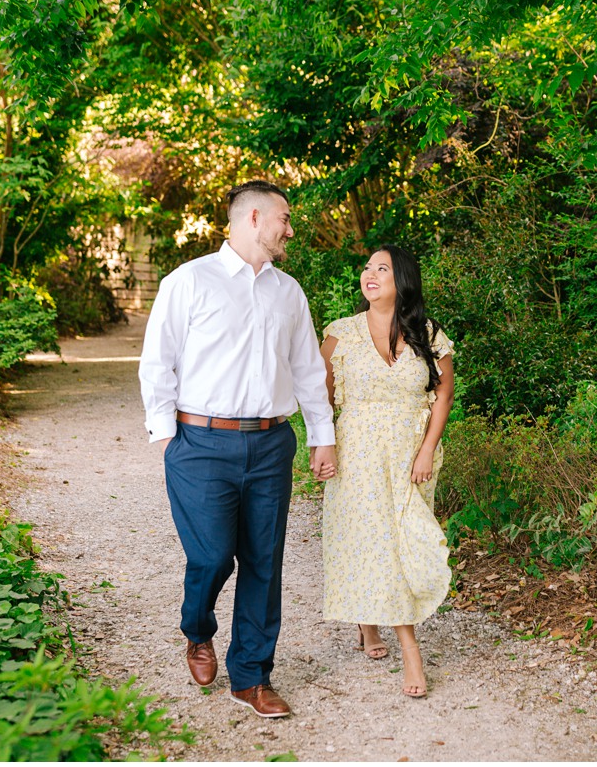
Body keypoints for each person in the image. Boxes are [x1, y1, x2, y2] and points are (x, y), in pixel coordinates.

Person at [139, 180, 337, 720]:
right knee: (210, 555)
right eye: (285, 219)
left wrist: (324, 437)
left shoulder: (288, 291)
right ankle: (197, 629)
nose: (290, 229)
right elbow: (158, 360)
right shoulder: (190, 281)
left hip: (272, 443)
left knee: (263, 561)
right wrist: (164, 438)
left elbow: (308, 372)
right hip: (200, 442)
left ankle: (251, 676)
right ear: (253, 218)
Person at [318, 245, 454, 698]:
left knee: (402, 542)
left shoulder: (429, 334)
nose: (370, 275)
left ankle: (377, 625)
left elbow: (443, 395)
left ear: (403, 280)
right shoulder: (340, 334)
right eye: (366, 268)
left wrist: (427, 450)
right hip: (357, 454)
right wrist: (326, 447)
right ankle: (402, 643)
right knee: (368, 538)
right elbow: (321, 398)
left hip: (408, 454)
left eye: (382, 268)